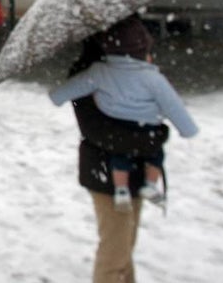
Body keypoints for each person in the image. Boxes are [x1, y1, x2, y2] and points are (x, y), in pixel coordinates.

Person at [49, 14, 198, 211]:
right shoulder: (152, 78)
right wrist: (188, 129)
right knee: (155, 156)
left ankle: (121, 189)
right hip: (147, 133)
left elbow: (61, 94)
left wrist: (57, 95)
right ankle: (151, 185)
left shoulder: (98, 72)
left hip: (115, 140)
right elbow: (173, 106)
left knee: (120, 159)